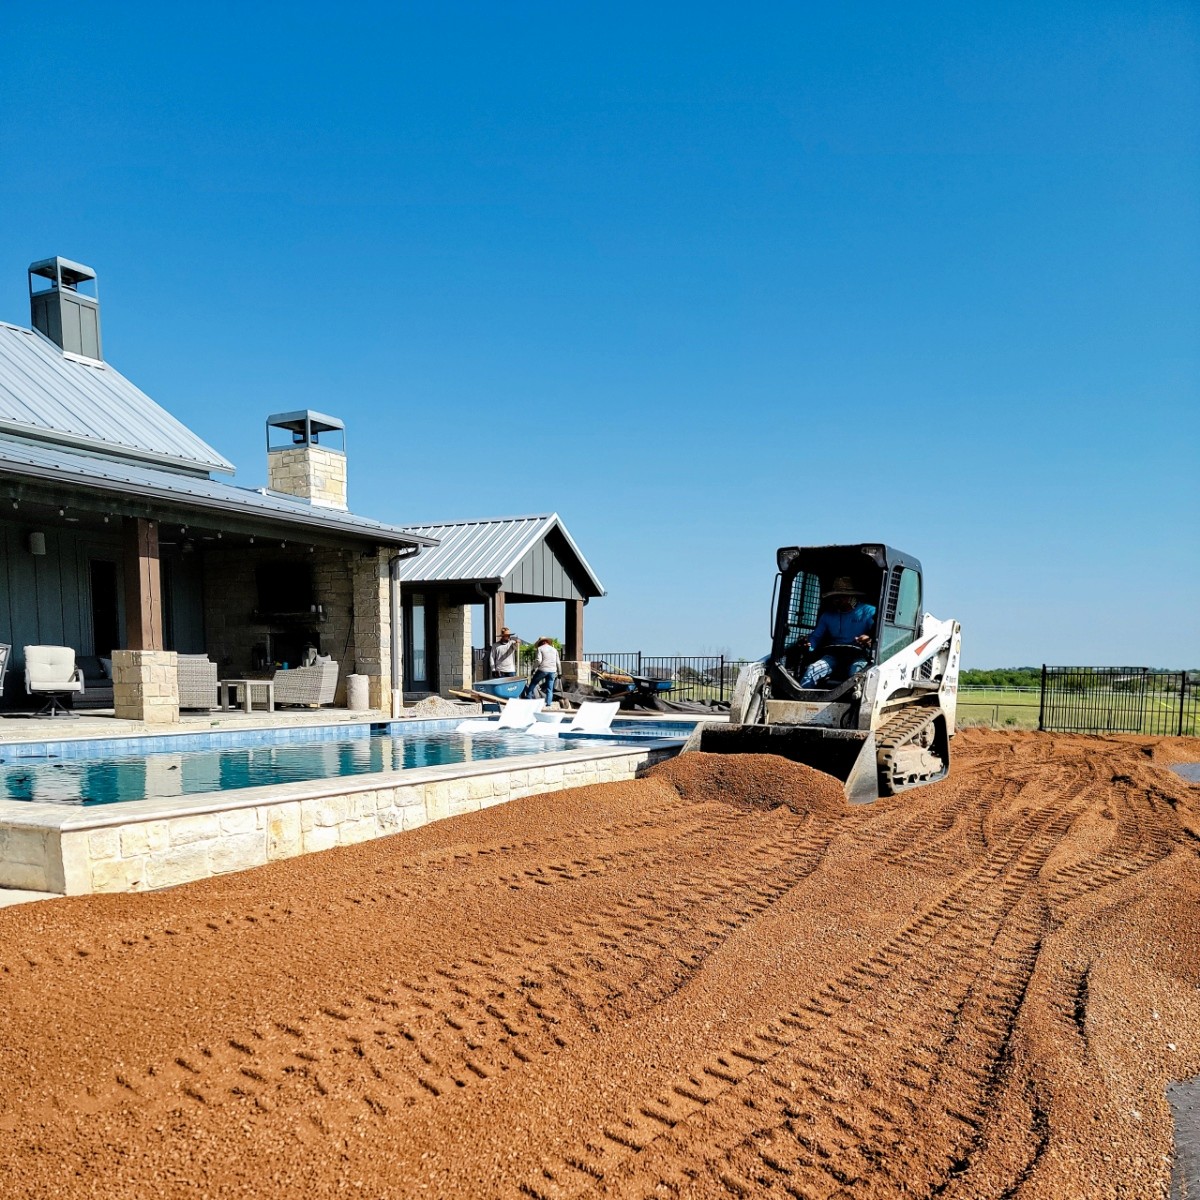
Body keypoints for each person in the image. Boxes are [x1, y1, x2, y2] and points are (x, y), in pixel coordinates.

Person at [799, 577, 877, 688]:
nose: (836, 600)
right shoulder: (827, 616)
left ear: (851, 596)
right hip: (833, 656)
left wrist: (868, 639)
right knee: (812, 670)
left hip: (859, 655)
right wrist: (809, 644)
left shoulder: (869, 611)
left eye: (840, 596)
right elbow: (815, 637)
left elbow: (875, 634)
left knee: (857, 674)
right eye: (834, 597)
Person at [522, 637, 561, 706]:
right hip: (552, 671)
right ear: (547, 642)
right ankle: (548, 703)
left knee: (533, 683)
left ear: (541, 643)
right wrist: (560, 672)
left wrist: (533, 668)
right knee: (549, 688)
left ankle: (528, 698)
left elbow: (538, 660)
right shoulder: (554, 650)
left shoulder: (540, 649)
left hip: (543, 669)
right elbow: (558, 662)